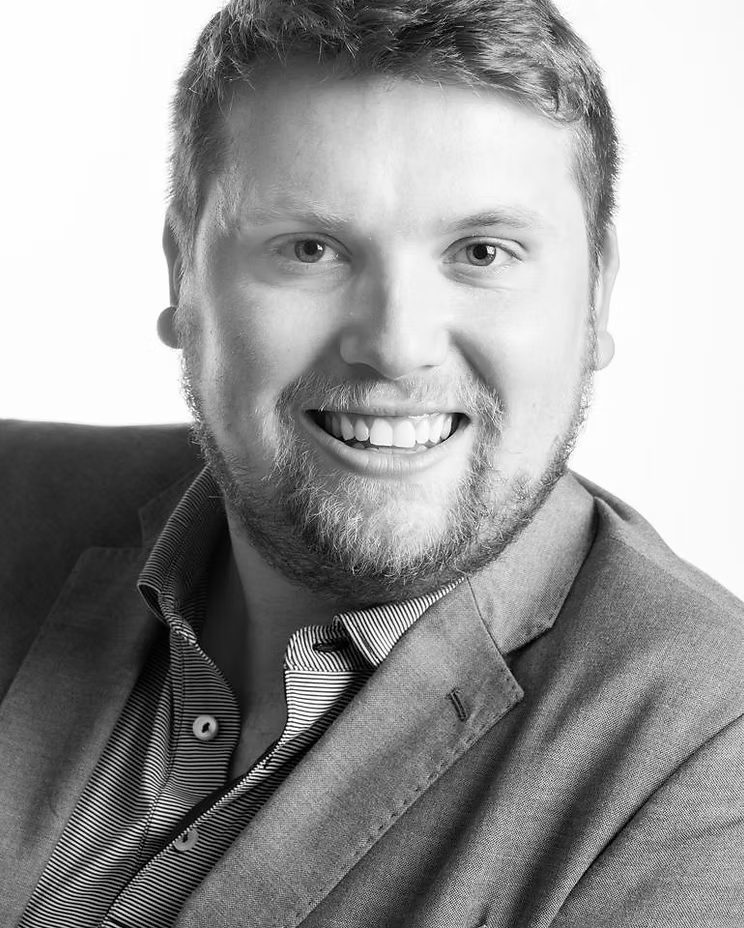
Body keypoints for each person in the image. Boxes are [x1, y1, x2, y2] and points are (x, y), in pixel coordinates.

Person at [1, 0, 742, 924]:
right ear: (182, 279)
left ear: (595, 301)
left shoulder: (709, 750)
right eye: (309, 248)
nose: (396, 346)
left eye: (482, 252)